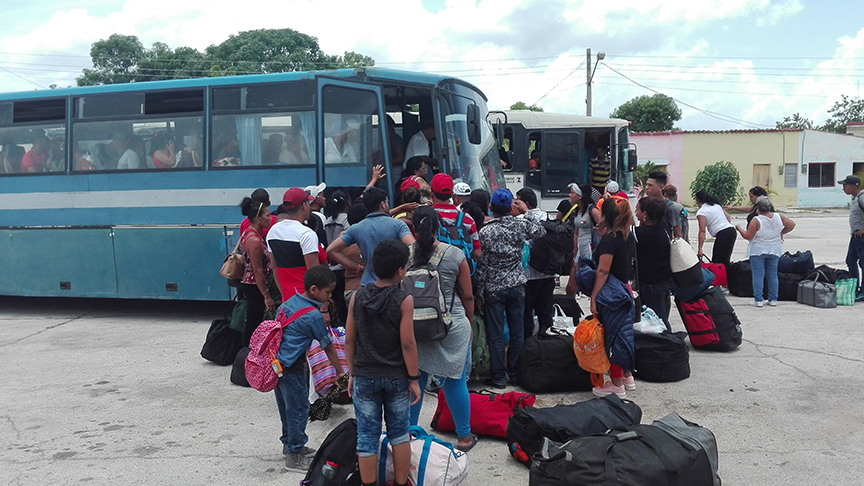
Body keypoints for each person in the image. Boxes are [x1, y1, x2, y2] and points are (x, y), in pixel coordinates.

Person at [345, 239, 420, 486]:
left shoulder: (357, 297)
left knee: (366, 436)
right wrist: (414, 378)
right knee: (399, 434)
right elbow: (408, 344)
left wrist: (352, 372)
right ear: (400, 270)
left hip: (365, 375)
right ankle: (400, 483)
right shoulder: (403, 299)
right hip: (396, 377)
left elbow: (350, 339)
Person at [407, 206, 478, 452]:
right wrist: (468, 324)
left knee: (416, 379)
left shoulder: (406, 255)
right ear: (439, 225)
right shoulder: (455, 254)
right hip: (451, 324)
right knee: (454, 381)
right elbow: (467, 296)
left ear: (413, 227)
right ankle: (465, 438)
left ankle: (408, 434)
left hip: (415, 326)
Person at [275, 265, 345, 471]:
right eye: (328, 292)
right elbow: (328, 347)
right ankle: (295, 456)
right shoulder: (313, 316)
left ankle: (289, 444)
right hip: (294, 366)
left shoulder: (288, 304)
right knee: (299, 409)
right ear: (314, 289)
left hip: (278, 365)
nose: (330, 296)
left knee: (286, 409)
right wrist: (340, 371)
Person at [477, 188, 545, 388]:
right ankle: (514, 372)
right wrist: (525, 212)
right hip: (517, 285)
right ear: (510, 207)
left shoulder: (485, 231)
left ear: (491, 207)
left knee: (496, 334)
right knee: (517, 331)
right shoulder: (520, 225)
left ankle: (498, 376)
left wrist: (480, 292)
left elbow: (483, 265)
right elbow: (540, 230)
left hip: (493, 288)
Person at [590, 196, 636, 398]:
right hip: (625, 289)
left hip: (612, 294)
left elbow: (603, 270)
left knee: (613, 336)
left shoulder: (610, 240)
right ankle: (627, 375)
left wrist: (593, 297)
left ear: (605, 215)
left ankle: (616, 384)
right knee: (623, 334)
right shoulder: (625, 236)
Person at [327, 186, 416, 286]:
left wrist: (357, 267)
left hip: (367, 284)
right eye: (387, 203)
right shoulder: (398, 225)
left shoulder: (356, 228)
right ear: (382, 204)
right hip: (393, 284)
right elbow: (413, 246)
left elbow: (331, 250)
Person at [735, 196, 796, 307]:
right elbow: (791, 225)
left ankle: (758, 299)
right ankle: (773, 299)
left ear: (758, 208)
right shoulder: (779, 217)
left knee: (758, 275)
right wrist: (781, 232)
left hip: (758, 250)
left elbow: (748, 236)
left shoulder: (756, 220)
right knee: (772, 274)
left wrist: (739, 229)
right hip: (774, 249)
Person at [516, 188, 555, 337]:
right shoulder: (548, 217)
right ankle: (547, 345)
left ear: (525, 203)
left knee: (526, 314)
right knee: (546, 314)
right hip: (548, 273)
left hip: (529, 276)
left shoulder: (521, 220)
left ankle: (528, 348)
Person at [266, 188, 319, 298]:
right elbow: (314, 273)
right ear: (304, 205)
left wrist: (284, 294)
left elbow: (274, 268)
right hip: (307, 299)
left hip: (287, 299)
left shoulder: (273, 231)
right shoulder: (307, 234)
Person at [239, 195, 275, 345]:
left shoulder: (249, 232)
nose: (270, 218)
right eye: (267, 215)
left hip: (254, 285)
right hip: (255, 287)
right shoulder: (254, 240)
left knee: (254, 321)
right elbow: (257, 271)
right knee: (253, 323)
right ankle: (246, 355)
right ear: (258, 219)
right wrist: (266, 296)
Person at [634, 197, 673, 330]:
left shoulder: (644, 233)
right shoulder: (663, 224)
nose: (635, 211)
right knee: (657, 315)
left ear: (645, 214)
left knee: (658, 317)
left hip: (652, 282)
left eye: (637, 209)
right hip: (663, 278)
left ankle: (669, 343)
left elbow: (624, 231)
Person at [430, 173, 482, 260]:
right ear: (451, 195)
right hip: (461, 269)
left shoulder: (426, 216)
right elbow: (477, 253)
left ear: (431, 194)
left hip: (433, 269)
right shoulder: (467, 219)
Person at [695, 190, 736, 270]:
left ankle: (719, 280)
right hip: (731, 231)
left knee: (717, 261)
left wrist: (700, 248)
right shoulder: (716, 206)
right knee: (725, 259)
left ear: (697, 200)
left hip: (722, 233)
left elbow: (702, 231)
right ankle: (727, 279)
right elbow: (728, 217)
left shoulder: (701, 212)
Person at [839, 175, 864, 301]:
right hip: (855, 236)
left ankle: (863, 291)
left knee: (863, 264)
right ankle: (854, 287)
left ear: (852, 186)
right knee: (850, 261)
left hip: (862, 236)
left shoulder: (862, 197)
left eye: (845, 186)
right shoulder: (854, 198)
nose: (843, 188)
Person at [643, 171, 682, 239]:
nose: (646, 187)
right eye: (646, 184)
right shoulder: (644, 205)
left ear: (660, 187)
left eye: (650, 185)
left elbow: (678, 234)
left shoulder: (671, 207)